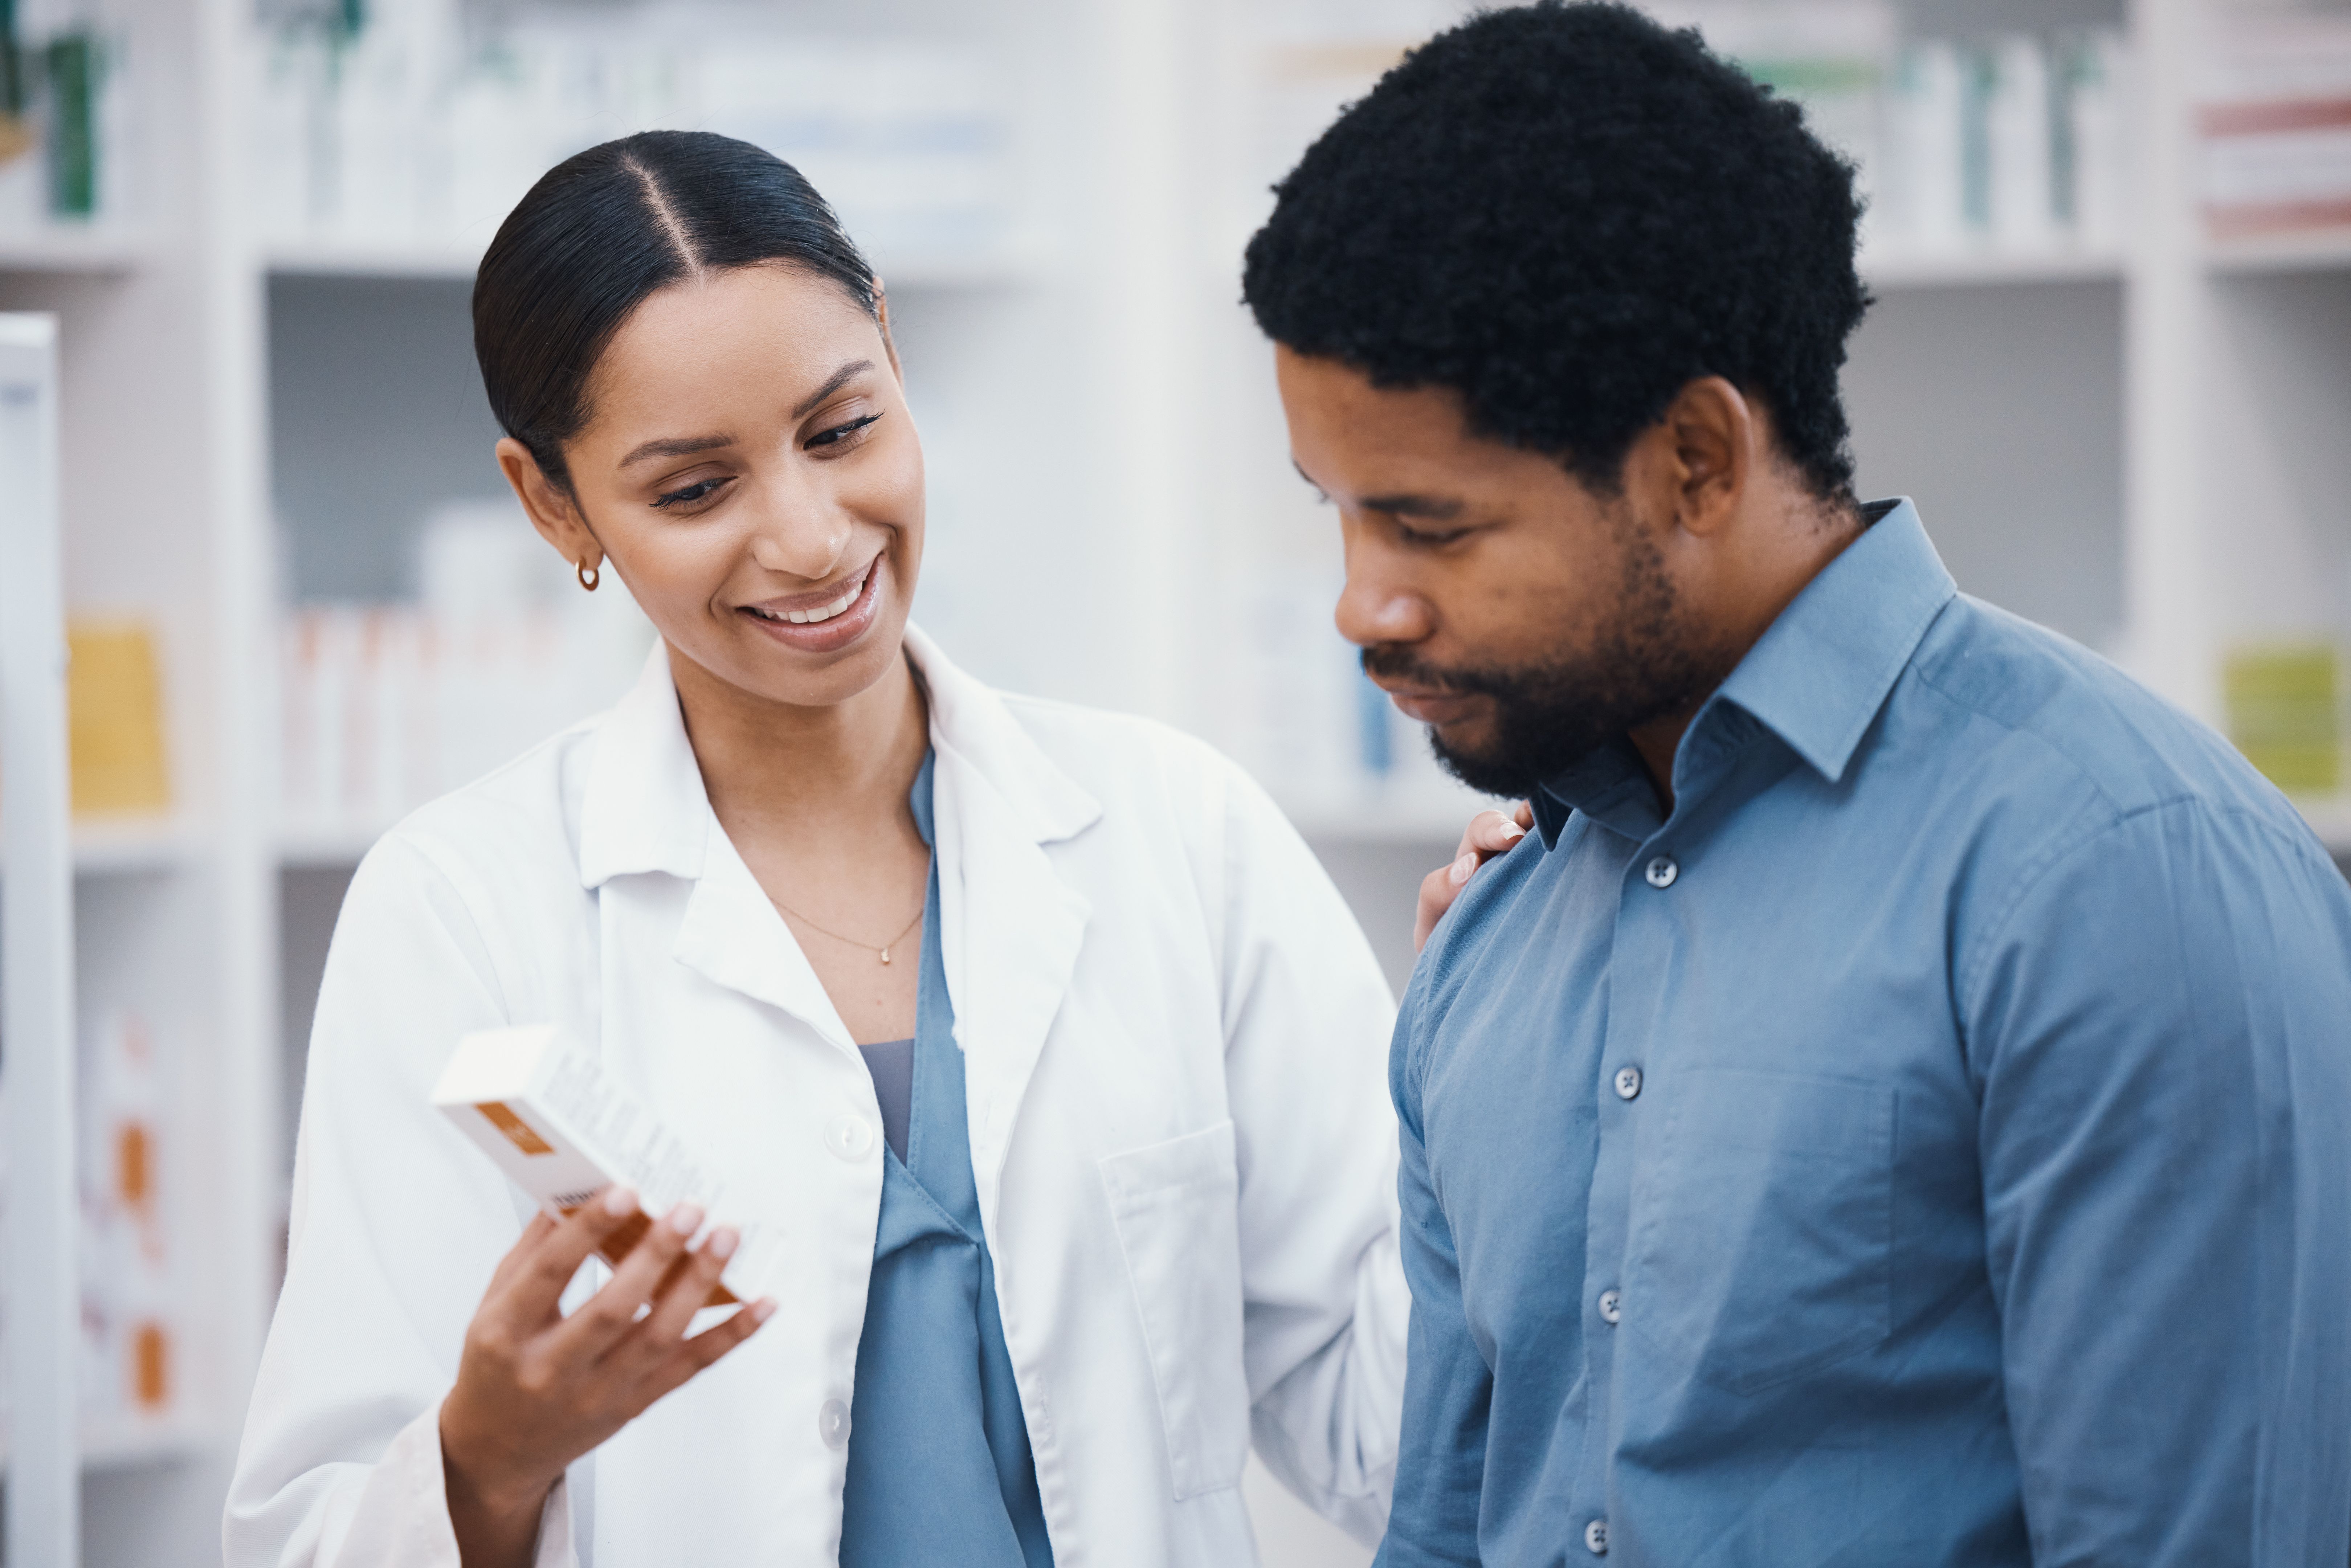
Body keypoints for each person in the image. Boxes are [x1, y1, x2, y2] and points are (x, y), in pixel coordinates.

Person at [1243, 5, 2351, 1565]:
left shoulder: (2117, 880)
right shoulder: (1491, 943)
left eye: (1431, 528)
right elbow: (1451, 1530)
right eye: (1337, 515)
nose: (1365, 605)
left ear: (1697, 458)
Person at [226, 130, 1408, 1568]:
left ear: (892, 357)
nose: (810, 537)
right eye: (694, 491)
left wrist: (1504, 1082)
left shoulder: (1179, 832)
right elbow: (309, 1537)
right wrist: (486, 1461)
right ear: (552, 505)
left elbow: (1392, 1431)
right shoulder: (460, 912)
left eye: (841, 431)